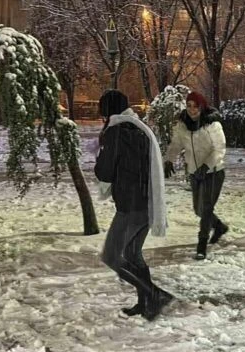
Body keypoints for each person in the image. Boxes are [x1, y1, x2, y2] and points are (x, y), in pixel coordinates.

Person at [95, 89, 174, 320]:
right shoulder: (138, 129)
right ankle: (146, 302)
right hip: (147, 203)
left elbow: (105, 171)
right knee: (132, 254)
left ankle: (154, 294)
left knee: (111, 256)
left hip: (130, 206)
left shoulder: (116, 133)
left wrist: (99, 159)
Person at [164, 91, 228, 260]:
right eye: (189, 105)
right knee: (198, 209)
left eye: (196, 106)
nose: (192, 110)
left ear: (202, 106)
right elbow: (176, 144)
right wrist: (169, 159)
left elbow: (219, 149)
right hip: (194, 171)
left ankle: (201, 245)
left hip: (213, 171)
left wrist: (207, 165)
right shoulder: (182, 124)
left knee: (206, 208)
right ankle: (219, 227)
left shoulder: (212, 124)